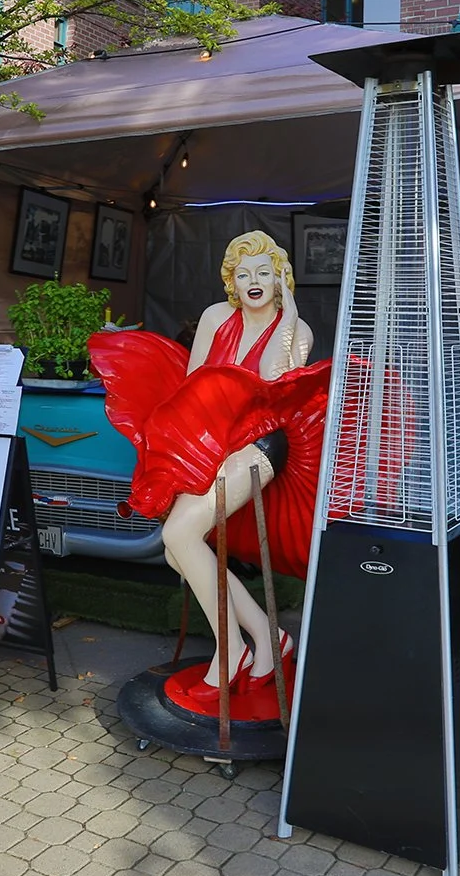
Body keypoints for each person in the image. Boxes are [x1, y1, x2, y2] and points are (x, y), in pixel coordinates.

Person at [89, 231, 331, 709]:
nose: (253, 281)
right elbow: (192, 388)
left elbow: (271, 389)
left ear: (280, 279)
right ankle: (271, 638)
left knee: (179, 535)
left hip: (261, 444)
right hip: (210, 442)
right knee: (177, 550)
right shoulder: (216, 317)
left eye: (264, 272)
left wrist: (287, 316)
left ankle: (231, 652)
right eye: (243, 274)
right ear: (231, 282)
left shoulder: (296, 330)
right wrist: (182, 456)